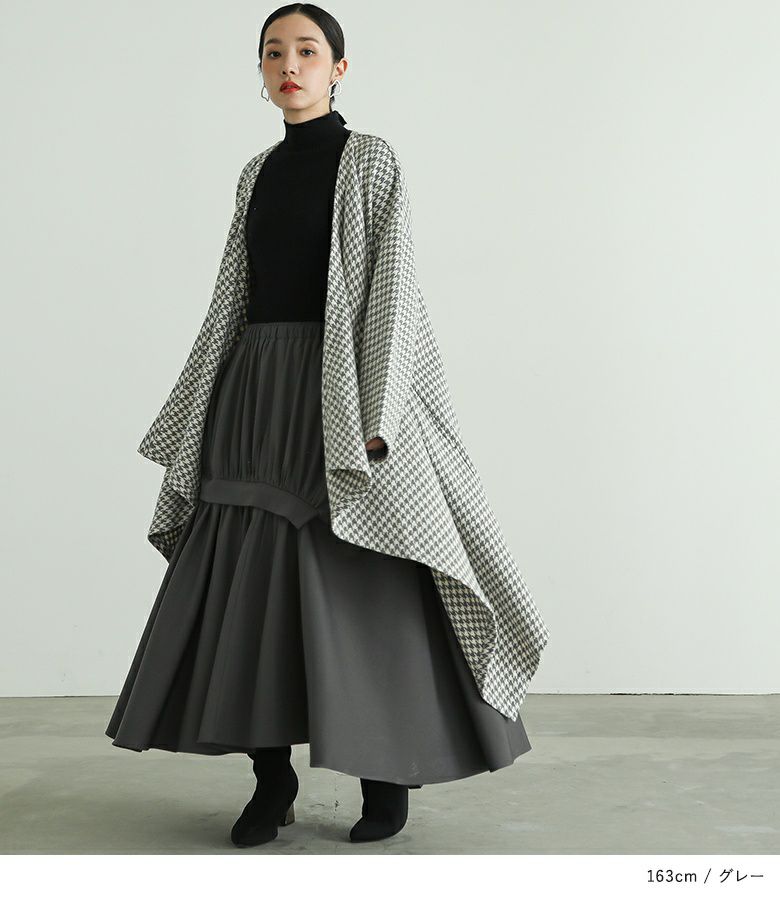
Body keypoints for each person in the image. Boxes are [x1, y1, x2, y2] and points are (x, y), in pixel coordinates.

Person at [106, 3, 543, 848]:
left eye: (308, 51)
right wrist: (204, 405)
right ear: (262, 71)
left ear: (339, 69)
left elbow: (392, 286)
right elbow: (234, 292)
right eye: (274, 53)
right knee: (252, 592)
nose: (290, 65)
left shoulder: (370, 159)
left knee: (363, 580)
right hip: (255, 393)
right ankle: (271, 780)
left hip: (339, 389)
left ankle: (386, 776)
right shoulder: (256, 173)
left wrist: (377, 412)